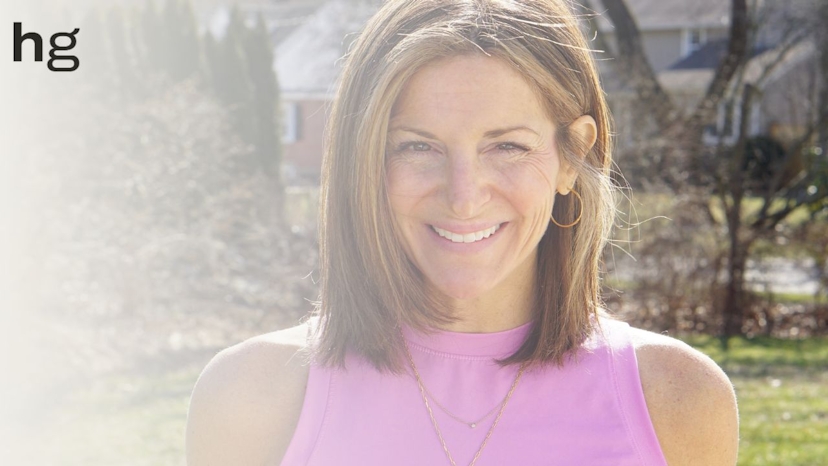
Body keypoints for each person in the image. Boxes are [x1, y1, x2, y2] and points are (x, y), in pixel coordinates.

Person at [185, 1, 739, 464]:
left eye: (507, 146)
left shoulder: (678, 401)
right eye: (417, 146)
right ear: (366, 161)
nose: (464, 194)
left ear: (575, 155)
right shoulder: (253, 397)